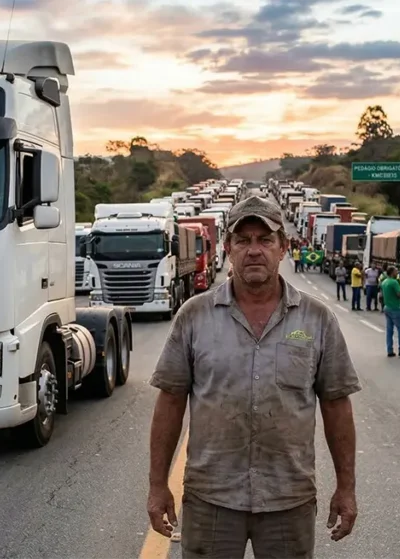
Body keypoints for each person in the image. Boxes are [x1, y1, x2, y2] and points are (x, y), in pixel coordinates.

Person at [147, 195, 360, 558]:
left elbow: (336, 405)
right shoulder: (194, 316)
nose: (254, 250)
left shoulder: (316, 320)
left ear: (283, 248)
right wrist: (157, 486)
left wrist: (346, 488)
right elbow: (170, 401)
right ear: (228, 248)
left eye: (265, 239)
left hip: (288, 500)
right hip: (210, 499)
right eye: (243, 240)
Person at [380, 266, 400, 357]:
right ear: (392, 272)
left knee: (389, 330)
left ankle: (389, 350)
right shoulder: (394, 282)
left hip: (387, 307)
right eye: (396, 271)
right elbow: (399, 294)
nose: (397, 273)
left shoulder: (384, 281)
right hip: (395, 308)